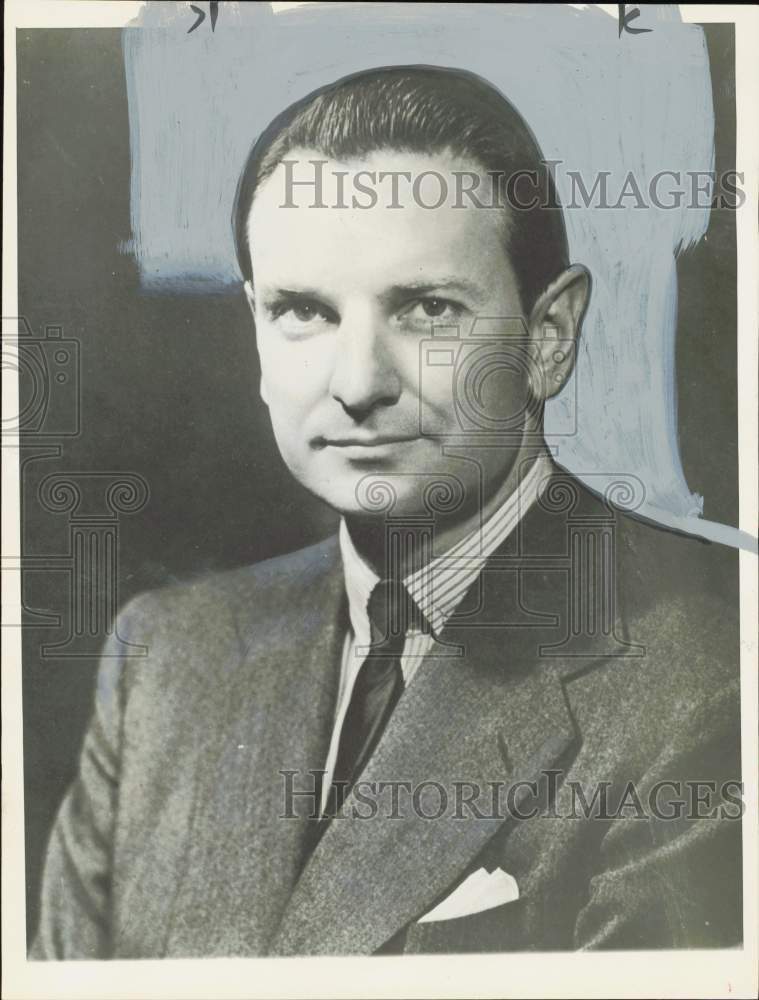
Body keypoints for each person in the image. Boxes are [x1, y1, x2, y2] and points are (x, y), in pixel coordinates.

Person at [31, 66, 741, 959]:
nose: (359, 383)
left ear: (549, 335)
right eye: (302, 312)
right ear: (255, 329)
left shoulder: (713, 671)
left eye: (428, 308)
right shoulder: (164, 657)